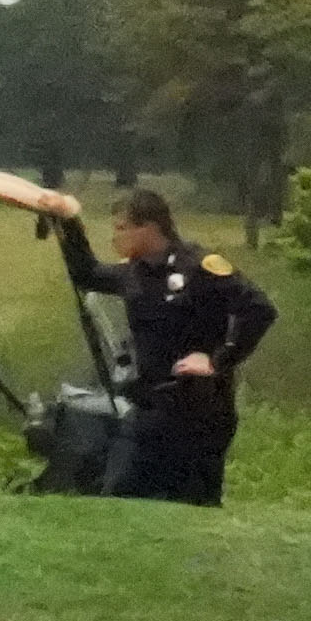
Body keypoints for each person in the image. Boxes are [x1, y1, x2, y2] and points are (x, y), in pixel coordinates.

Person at [63, 185, 277, 504]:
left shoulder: (200, 267)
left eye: (122, 228)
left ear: (148, 227)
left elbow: (260, 310)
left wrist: (218, 361)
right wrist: (66, 221)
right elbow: (87, 273)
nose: (115, 238)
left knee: (192, 505)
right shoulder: (133, 273)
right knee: (119, 497)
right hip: (150, 407)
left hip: (199, 410)